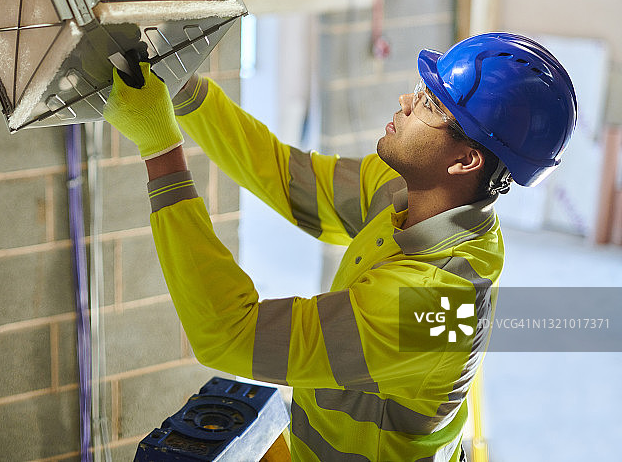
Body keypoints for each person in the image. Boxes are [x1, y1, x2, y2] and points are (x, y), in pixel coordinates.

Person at [103, 32, 577, 462]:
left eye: (431, 105)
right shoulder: (412, 194)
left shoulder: (428, 309)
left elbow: (228, 334)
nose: (407, 101)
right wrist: (180, 84)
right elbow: (287, 177)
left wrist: (161, 151)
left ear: (466, 160)